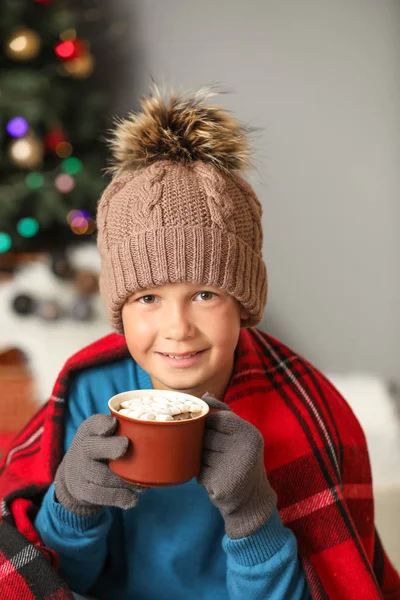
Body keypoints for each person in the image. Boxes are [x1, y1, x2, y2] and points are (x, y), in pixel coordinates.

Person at [0, 86, 399, 600]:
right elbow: (54, 581)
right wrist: (71, 503)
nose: (178, 327)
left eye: (205, 294)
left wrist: (252, 515)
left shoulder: (307, 408)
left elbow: (328, 587)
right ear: (118, 309)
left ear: (244, 302)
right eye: (147, 298)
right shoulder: (87, 389)